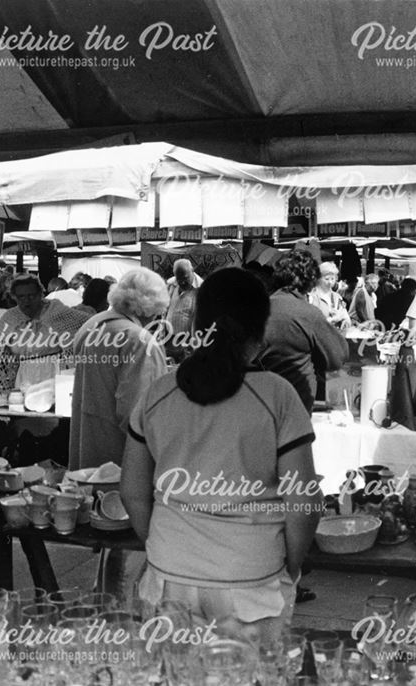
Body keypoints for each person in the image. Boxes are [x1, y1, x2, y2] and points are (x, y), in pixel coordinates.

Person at [120, 268, 322, 641]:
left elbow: (132, 490)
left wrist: (164, 544)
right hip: (250, 579)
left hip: (169, 577)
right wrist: (289, 567)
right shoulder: (277, 395)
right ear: (261, 327)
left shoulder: (159, 393)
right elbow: (304, 502)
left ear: (198, 323)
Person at [69, 269, 169, 471]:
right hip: (122, 458)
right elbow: (138, 409)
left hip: (87, 443)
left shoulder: (91, 326)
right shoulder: (139, 341)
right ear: (149, 308)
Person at [259, 250, 348, 413]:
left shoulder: (258, 310)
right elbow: (337, 357)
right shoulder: (308, 314)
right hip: (297, 403)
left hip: (259, 400)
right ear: (310, 281)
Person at [164, 259, 202, 362]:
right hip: (169, 339)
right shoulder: (171, 284)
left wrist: (193, 344)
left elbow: (198, 320)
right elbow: (165, 310)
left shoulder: (200, 289)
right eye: (178, 278)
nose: (182, 282)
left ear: (192, 271)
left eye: (185, 278)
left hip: (187, 342)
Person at [307, 261, 350, 328]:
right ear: (318, 278)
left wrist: (345, 321)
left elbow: (346, 316)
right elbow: (309, 322)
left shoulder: (337, 297)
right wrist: (332, 320)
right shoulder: (311, 297)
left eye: (333, 279)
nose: (330, 282)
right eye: (326, 279)